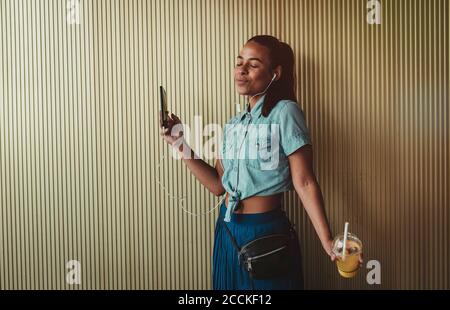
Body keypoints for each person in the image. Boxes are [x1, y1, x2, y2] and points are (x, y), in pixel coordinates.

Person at [161, 35, 339, 290]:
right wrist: (179, 142)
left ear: (275, 74)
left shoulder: (285, 112)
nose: (241, 70)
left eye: (253, 65)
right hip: (228, 231)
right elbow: (217, 186)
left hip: (265, 235)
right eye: (238, 62)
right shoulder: (233, 124)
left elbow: (305, 181)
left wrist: (328, 240)